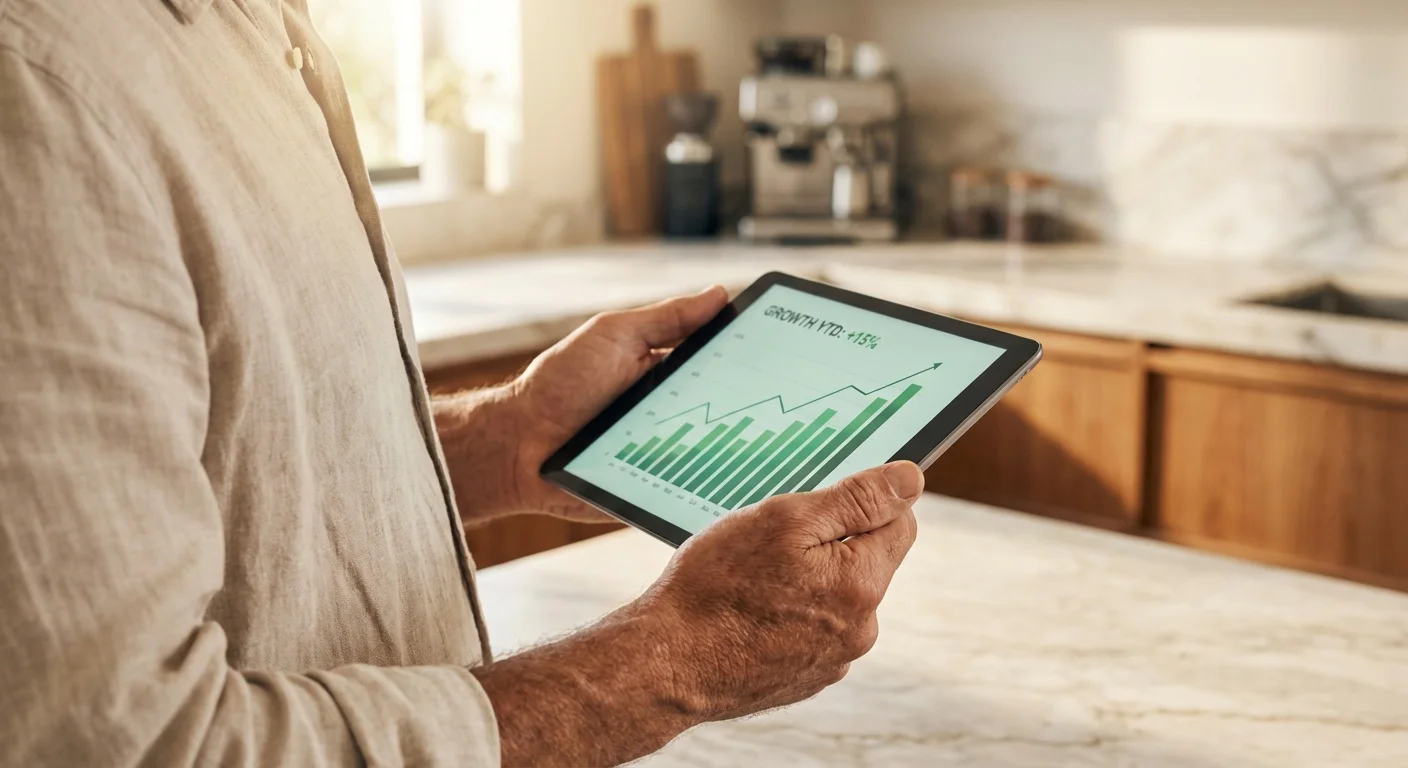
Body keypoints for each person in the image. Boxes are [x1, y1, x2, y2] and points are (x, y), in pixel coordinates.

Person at [0, 1, 921, 765]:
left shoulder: (240, 34)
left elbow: (226, 464)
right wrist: (676, 660)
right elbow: (132, 745)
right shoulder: (44, 87)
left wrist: (504, 441)